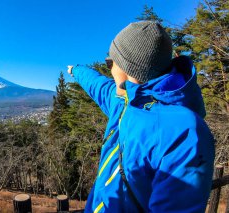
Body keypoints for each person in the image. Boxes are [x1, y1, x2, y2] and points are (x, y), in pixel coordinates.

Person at [67, 21, 215, 212]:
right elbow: (97, 84)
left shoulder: (185, 132)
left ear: (129, 70)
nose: (109, 69)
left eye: (110, 62)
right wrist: (76, 70)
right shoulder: (124, 102)